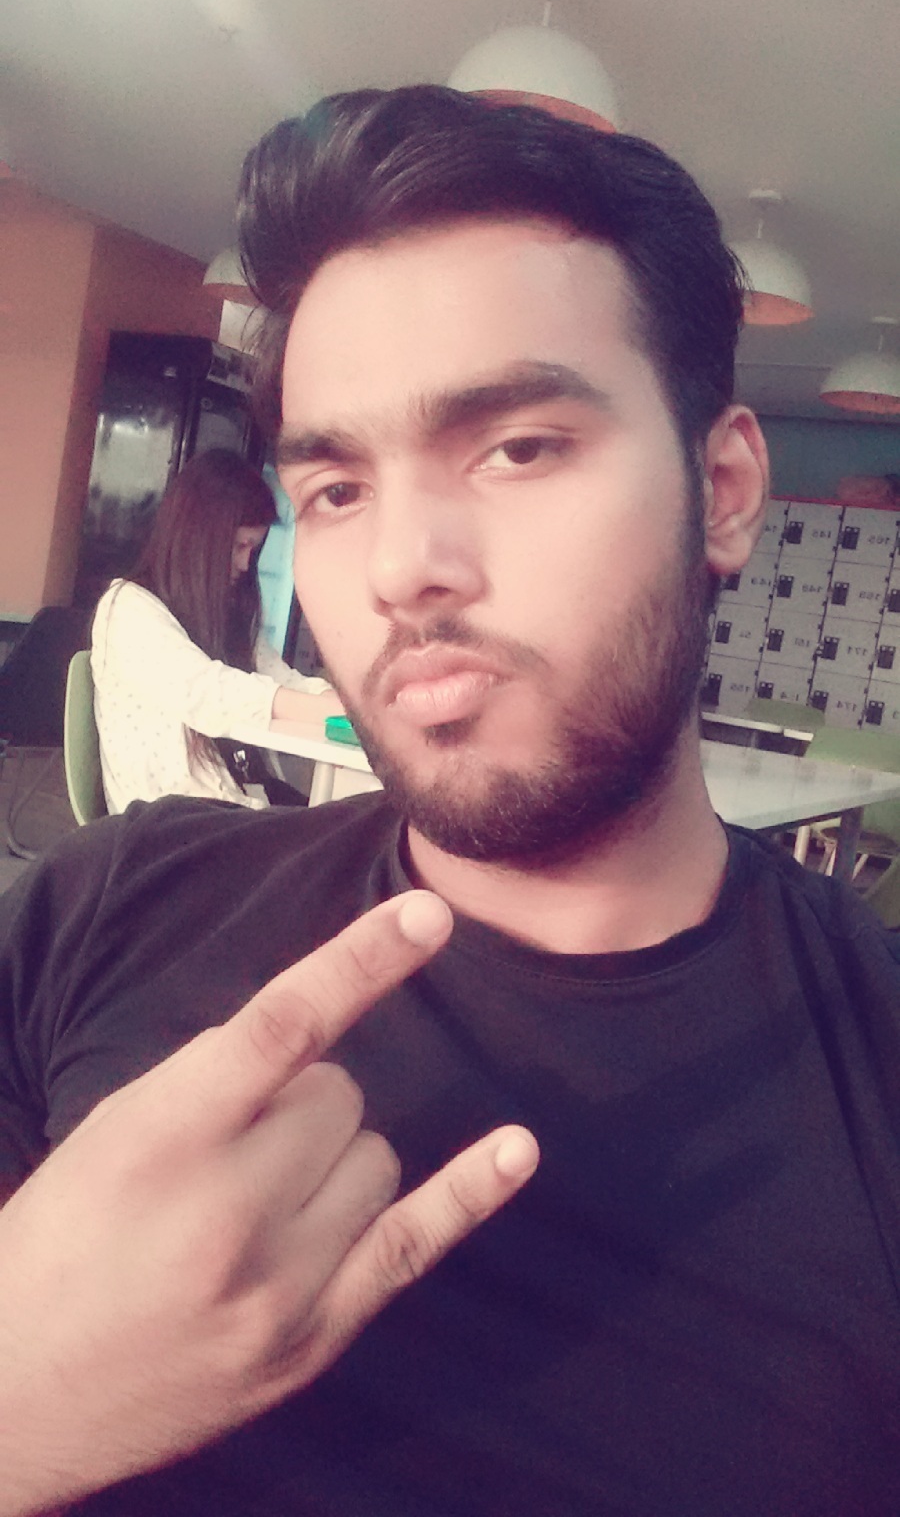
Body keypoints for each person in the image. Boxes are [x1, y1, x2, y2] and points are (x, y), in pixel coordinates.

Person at [1, 85, 900, 1516]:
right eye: (336, 488)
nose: (402, 566)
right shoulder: (103, 906)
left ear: (726, 490)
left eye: (517, 446)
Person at [91, 447, 342, 810]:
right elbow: (207, 693)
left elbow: (280, 677)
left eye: (252, 550)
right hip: (169, 821)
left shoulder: (217, 612)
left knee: (348, 823)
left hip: (230, 804)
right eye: (239, 546)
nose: (245, 564)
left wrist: (341, 707)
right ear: (199, 541)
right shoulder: (127, 607)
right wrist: (326, 712)